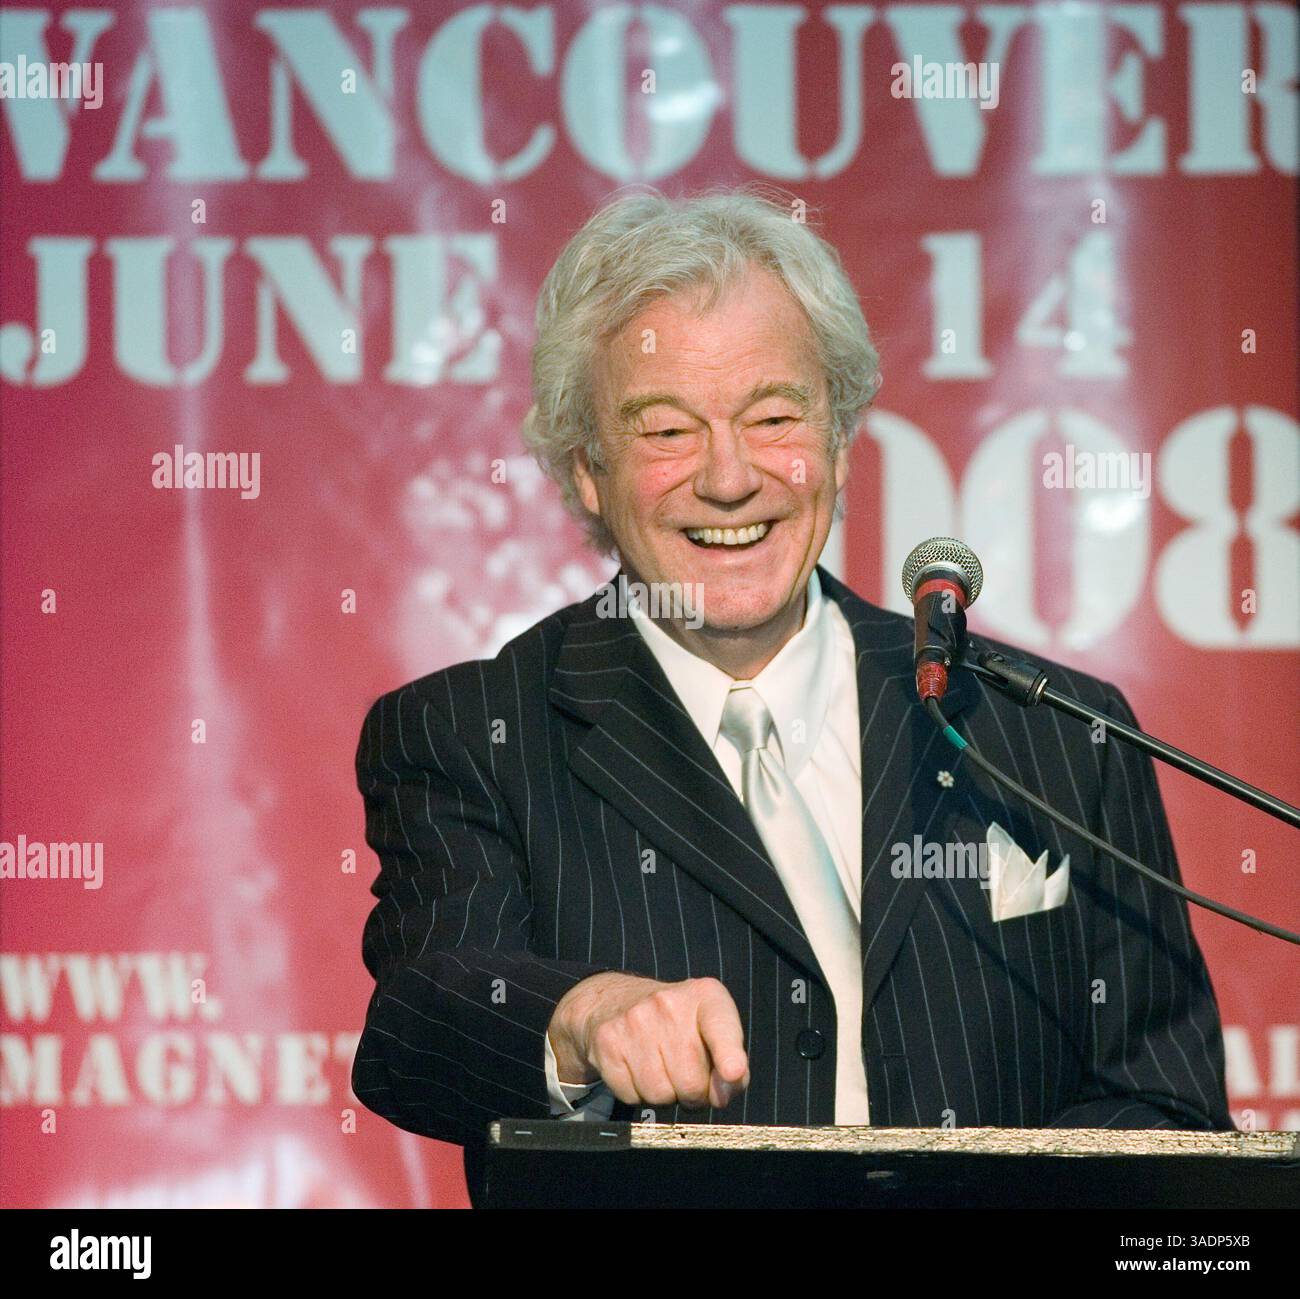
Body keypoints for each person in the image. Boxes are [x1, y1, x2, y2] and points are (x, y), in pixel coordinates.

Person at [350, 187, 1233, 1196]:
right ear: (586, 470)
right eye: (666, 431)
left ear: (839, 442)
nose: (730, 479)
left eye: (774, 416)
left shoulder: (1055, 738)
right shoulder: (473, 732)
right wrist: (582, 1016)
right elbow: (419, 1022)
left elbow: (1168, 1110)